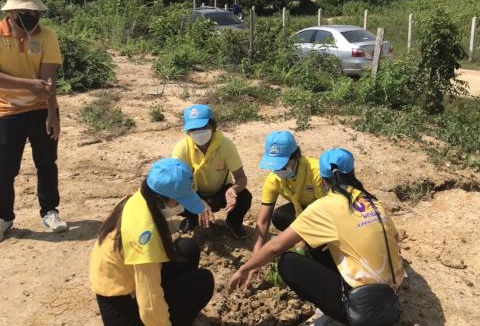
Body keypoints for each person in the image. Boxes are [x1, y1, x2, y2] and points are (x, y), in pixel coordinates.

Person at [229, 148, 405, 325]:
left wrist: (244, 268)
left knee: (288, 263)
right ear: (352, 173)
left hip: (364, 311)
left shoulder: (326, 206)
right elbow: (394, 240)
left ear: (322, 180)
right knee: (322, 244)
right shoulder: (372, 201)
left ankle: (334, 314)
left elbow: (275, 247)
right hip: (392, 296)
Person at [90, 158, 215, 326]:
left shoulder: (141, 197)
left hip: (126, 278)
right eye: (178, 201)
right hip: (120, 299)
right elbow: (149, 300)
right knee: (203, 281)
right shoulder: (145, 234)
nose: (180, 207)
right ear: (160, 198)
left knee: (188, 248)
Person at [0, 0, 66, 241]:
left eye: (36, 13)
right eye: (28, 13)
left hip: (41, 110)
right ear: (13, 12)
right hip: (6, 111)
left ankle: (50, 211)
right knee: (5, 169)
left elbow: (48, 79)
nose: (33, 17)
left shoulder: (46, 36)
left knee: (47, 164)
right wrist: (28, 84)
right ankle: (4, 217)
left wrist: (52, 113)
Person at [249, 131, 326, 278]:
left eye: (282, 165)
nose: (278, 170)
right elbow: (263, 220)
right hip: (302, 211)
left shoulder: (316, 173)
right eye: (274, 166)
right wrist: (256, 258)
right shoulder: (274, 180)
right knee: (279, 216)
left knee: (317, 249)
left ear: (295, 157)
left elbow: (325, 212)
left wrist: (301, 241)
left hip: (323, 213)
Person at [172, 104, 252, 238]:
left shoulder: (225, 145)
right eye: (193, 129)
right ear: (187, 131)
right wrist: (197, 201)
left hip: (221, 193)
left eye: (203, 127)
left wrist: (232, 190)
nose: (198, 132)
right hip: (193, 193)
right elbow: (176, 183)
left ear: (213, 126)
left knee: (244, 197)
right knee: (173, 197)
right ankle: (191, 219)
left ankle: (233, 223)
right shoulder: (182, 148)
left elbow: (241, 178)